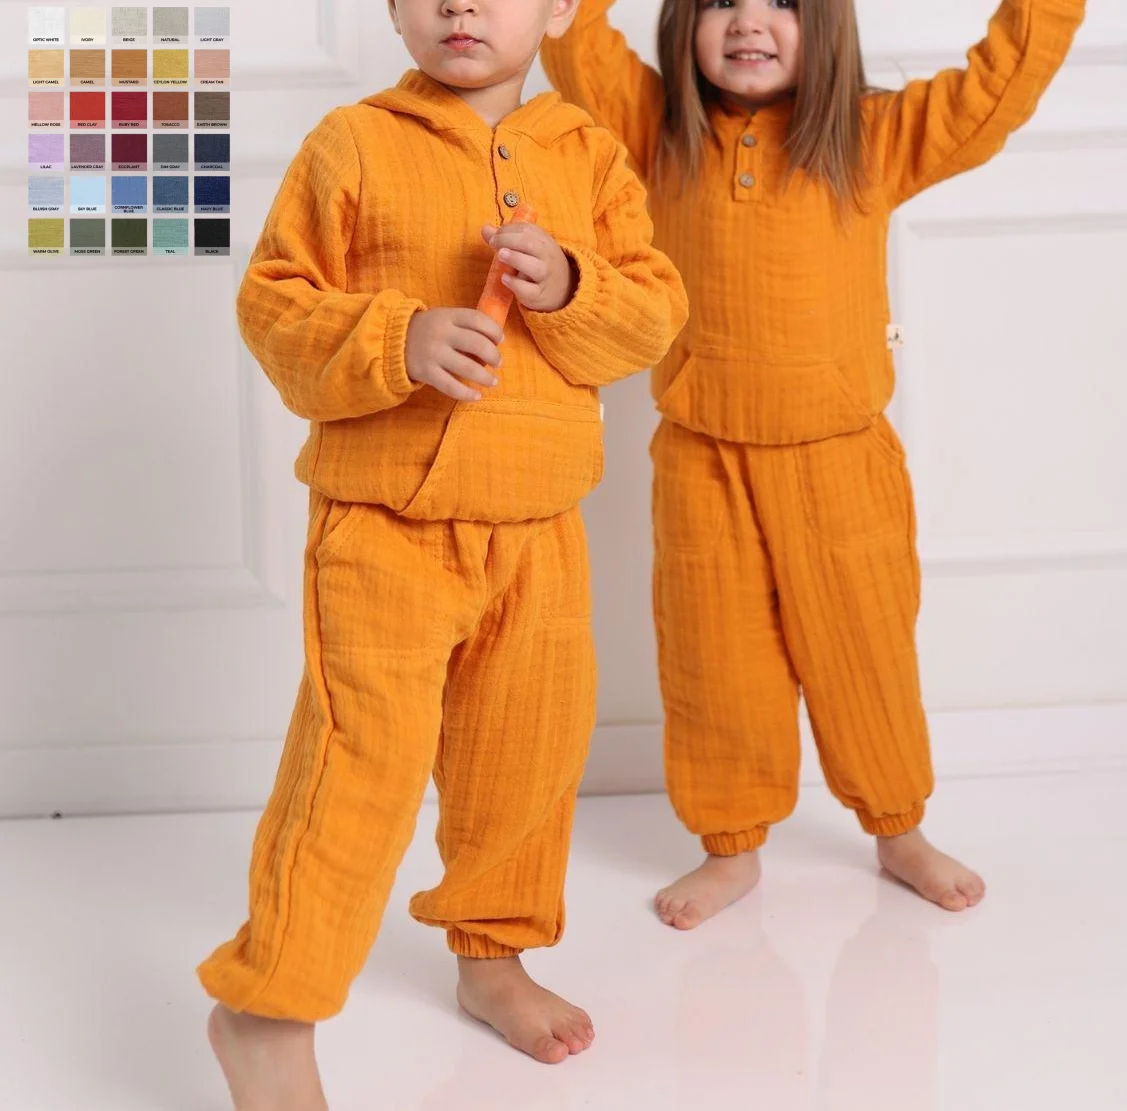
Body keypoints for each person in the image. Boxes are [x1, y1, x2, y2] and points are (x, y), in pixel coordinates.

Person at [198, 1, 688, 1105]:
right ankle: (267, 1007)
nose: (460, 4)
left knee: (525, 754)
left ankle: (492, 955)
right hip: (383, 524)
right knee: (356, 765)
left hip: (540, 522)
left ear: (560, 9)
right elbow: (274, 304)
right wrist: (398, 337)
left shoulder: (588, 153)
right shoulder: (354, 141)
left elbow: (653, 311)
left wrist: (573, 285)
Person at [542, 0, 1084, 929]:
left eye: (782, 4)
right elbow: (575, 39)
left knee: (865, 654)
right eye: (721, 1)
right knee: (714, 662)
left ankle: (898, 827)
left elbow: (996, 89)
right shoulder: (657, 131)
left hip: (839, 460)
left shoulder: (873, 138)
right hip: (703, 458)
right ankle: (729, 844)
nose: (748, 23)